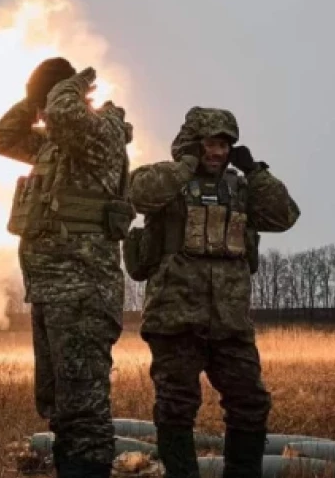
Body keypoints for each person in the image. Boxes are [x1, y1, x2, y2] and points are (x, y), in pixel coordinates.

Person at [124, 107, 300, 477]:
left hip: (230, 323)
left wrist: (256, 171)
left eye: (224, 145)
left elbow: (284, 216)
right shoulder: (167, 181)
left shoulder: (241, 189)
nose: (217, 152)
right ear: (192, 143)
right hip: (174, 319)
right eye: (209, 144)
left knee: (250, 402)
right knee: (176, 405)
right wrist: (185, 166)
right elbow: (137, 195)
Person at [0, 58, 135, 477]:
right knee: (58, 404)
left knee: (84, 408)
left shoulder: (100, 136)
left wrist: (71, 84)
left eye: (47, 101)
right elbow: (2, 137)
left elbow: (67, 113)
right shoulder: (52, 146)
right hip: (51, 291)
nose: (44, 113)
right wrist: (31, 98)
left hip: (84, 292)